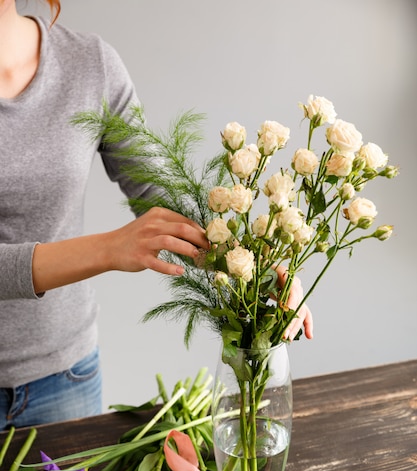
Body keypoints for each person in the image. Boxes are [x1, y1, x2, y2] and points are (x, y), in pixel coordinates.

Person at [0, 0, 313, 431]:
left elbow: (159, 195)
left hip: (63, 379)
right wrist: (109, 248)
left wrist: (254, 262)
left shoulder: (89, 64)